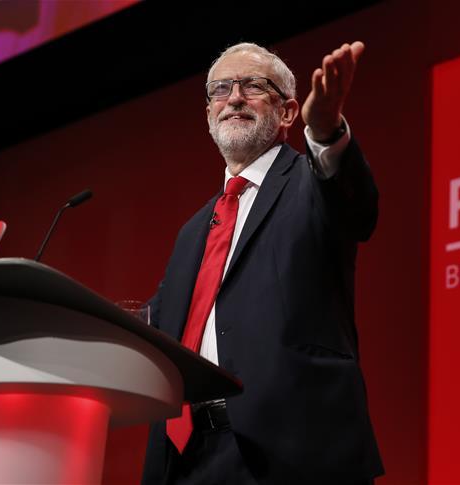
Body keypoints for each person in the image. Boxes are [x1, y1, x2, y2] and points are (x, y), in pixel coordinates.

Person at [142, 41, 383, 485]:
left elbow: (357, 209)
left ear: (289, 113)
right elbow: (158, 328)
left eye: (252, 85)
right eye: (220, 89)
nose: (233, 97)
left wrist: (327, 133)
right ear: (209, 115)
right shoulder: (194, 230)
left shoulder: (311, 184)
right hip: (186, 460)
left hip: (291, 454)